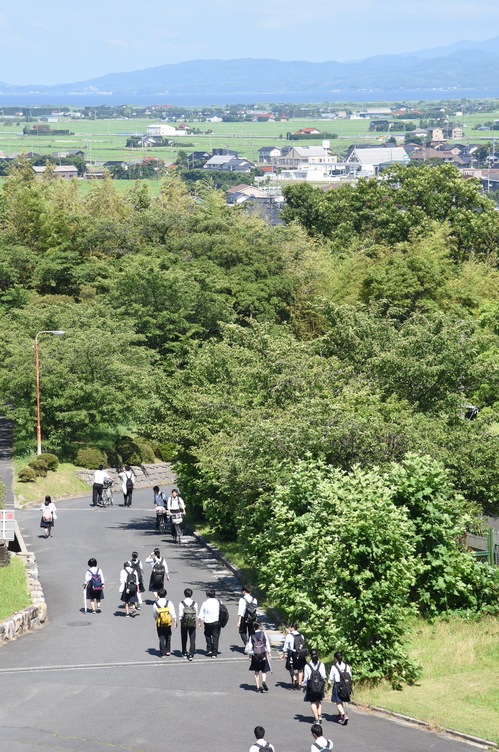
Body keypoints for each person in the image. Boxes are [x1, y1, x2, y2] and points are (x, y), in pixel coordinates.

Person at [247, 620, 271, 693]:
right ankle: (263, 681)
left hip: (256, 655)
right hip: (263, 654)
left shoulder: (252, 635)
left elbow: (250, 646)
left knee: (256, 672)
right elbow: (267, 643)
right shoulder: (263, 634)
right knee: (264, 670)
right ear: (259, 626)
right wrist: (269, 652)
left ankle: (257, 687)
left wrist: (250, 655)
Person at [281, 622, 307, 689]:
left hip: (292, 653)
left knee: (290, 668)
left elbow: (286, 646)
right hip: (301, 654)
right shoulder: (301, 635)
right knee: (300, 669)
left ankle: (295, 679)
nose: (289, 628)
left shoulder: (289, 636)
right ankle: (299, 684)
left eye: (290, 627)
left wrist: (283, 653)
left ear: (292, 628)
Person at [302, 649, 326, 722]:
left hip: (311, 686)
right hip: (320, 686)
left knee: (313, 702)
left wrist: (304, 686)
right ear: (317, 655)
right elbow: (324, 676)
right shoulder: (321, 665)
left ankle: (316, 719)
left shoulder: (307, 666)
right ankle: (319, 715)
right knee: (319, 700)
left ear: (310, 656)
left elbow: (306, 678)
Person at [328, 651, 352, 725]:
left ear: (335, 658)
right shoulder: (346, 666)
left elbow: (331, 678)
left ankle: (344, 715)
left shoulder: (334, 667)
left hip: (338, 685)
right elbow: (350, 675)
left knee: (338, 701)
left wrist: (328, 684)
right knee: (342, 699)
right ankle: (339, 715)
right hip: (346, 685)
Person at [153, 587, 177, 657]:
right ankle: (168, 650)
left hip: (160, 622)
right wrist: (175, 620)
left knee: (161, 637)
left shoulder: (156, 604)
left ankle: (162, 653)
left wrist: (155, 617)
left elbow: (154, 614)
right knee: (168, 636)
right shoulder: (169, 602)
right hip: (168, 621)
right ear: (165, 595)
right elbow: (172, 612)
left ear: (158, 595)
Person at [198, 589, 221, 657]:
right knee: (215, 636)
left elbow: (201, 614)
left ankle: (209, 649)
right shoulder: (218, 602)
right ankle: (214, 652)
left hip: (207, 622)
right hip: (216, 621)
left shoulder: (205, 603)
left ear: (207, 595)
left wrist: (199, 622)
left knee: (207, 635)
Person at [179, 587, 198, 661]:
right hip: (192, 622)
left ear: (184, 594)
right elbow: (196, 613)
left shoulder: (182, 603)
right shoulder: (194, 603)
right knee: (192, 638)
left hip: (184, 621)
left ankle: (184, 652)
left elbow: (180, 614)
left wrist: (180, 620)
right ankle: (191, 654)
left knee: (184, 637)